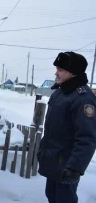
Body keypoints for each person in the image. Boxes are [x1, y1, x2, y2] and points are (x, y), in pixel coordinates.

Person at [38, 51, 96, 203]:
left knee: (65, 200)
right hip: (53, 162)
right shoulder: (59, 93)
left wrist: (75, 168)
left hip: (67, 165)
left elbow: (87, 138)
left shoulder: (83, 99)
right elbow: (52, 129)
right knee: (51, 195)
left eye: (60, 69)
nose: (56, 73)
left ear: (73, 72)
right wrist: (42, 150)